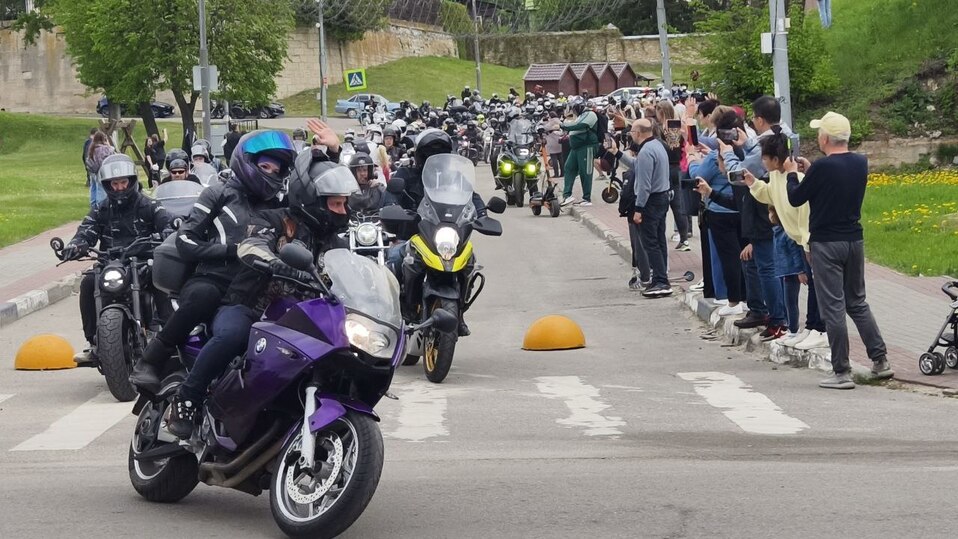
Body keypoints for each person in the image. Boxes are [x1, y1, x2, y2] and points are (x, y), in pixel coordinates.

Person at [166, 160, 355, 438]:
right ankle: (187, 398)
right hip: (249, 306)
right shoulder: (276, 220)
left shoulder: (335, 244)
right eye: (335, 204)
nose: (342, 211)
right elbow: (250, 245)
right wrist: (276, 263)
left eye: (344, 204)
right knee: (232, 335)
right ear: (312, 202)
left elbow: (349, 277)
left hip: (300, 319)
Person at [129, 130, 300, 389]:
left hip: (258, 287)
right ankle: (151, 360)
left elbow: (313, 200)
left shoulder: (280, 204)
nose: (271, 174)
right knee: (203, 295)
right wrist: (232, 250)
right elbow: (185, 240)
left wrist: (330, 153)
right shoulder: (218, 194)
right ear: (247, 162)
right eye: (265, 166)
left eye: (277, 170)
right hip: (213, 278)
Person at [786, 111, 892, 389]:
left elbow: (796, 198)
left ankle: (841, 371)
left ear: (824, 138)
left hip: (826, 243)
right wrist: (811, 170)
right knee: (857, 302)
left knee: (833, 306)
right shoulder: (860, 162)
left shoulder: (822, 167)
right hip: (854, 240)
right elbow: (835, 183)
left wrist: (792, 175)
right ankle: (880, 360)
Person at [61, 154, 173, 364]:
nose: (120, 188)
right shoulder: (101, 209)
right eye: (115, 183)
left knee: (160, 278)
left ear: (131, 181)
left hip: (143, 261)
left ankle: (170, 334)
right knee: (88, 283)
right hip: (111, 264)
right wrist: (76, 245)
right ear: (108, 185)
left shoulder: (149, 205)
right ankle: (93, 342)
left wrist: (168, 231)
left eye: (123, 182)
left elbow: (166, 221)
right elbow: (86, 230)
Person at [688, 107, 745, 316]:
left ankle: (732, 299)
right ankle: (747, 298)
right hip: (742, 208)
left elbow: (699, 176)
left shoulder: (718, 155)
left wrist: (693, 159)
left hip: (720, 210)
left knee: (728, 258)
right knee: (745, 256)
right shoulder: (747, 151)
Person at [611, 119, 673, 297]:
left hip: (650, 201)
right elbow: (637, 166)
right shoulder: (657, 145)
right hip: (662, 197)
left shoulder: (646, 151)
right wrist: (617, 153)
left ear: (638, 133)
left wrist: (638, 209)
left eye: (632, 132)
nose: (631, 135)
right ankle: (661, 277)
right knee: (659, 239)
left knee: (650, 242)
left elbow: (644, 184)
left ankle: (660, 281)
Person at [654, 100, 691, 251]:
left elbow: (662, 147)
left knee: (662, 203)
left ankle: (660, 238)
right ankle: (684, 238)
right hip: (678, 167)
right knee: (678, 205)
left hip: (665, 168)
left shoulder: (660, 129)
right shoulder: (678, 127)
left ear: (661, 112)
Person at [559, 98, 598, 207]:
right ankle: (567, 195)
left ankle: (587, 198)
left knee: (585, 171)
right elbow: (568, 122)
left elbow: (578, 125)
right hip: (576, 147)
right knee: (568, 167)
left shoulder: (590, 114)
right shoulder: (578, 116)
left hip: (586, 146)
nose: (573, 110)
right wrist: (565, 121)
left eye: (574, 108)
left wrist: (563, 125)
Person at [85, 131, 114, 207]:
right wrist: (108, 143)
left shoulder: (92, 148)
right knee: (101, 190)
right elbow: (112, 151)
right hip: (101, 172)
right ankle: (100, 206)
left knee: (93, 188)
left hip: (93, 171)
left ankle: (93, 205)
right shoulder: (105, 149)